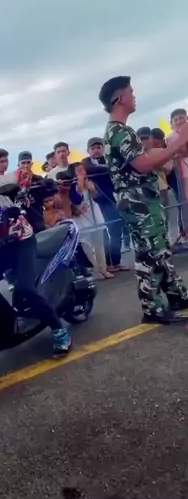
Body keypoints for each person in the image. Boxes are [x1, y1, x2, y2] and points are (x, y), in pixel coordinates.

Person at [100, 75, 188, 323]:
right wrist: (178, 142)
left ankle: (176, 294)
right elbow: (143, 164)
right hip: (139, 202)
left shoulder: (117, 131)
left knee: (158, 248)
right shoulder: (120, 132)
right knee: (150, 253)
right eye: (131, 92)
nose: (134, 96)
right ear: (120, 99)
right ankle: (152, 308)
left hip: (140, 200)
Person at [0, 169, 72, 357]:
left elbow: (20, 185)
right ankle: (5, 322)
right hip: (1, 246)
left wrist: (19, 201)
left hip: (22, 241)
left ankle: (60, 331)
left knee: (25, 289)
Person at [82, 137, 128, 273]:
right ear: (88, 150)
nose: (96, 150)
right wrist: (108, 168)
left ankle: (115, 261)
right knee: (105, 232)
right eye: (93, 148)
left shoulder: (108, 158)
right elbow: (89, 169)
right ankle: (108, 262)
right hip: (97, 202)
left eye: (98, 147)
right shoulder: (86, 162)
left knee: (116, 229)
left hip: (113, 198)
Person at [69, 163, 113, 280]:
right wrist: (79, 186)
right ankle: (95, 270)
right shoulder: (72, 186)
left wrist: (92, 190)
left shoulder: (90, 182)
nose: (82, 173)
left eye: (83, 170)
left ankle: (103, 269)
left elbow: (99, 198)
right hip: (82, 219)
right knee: (88, 247)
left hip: (95, 217)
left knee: (99, 245)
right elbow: (76, 200)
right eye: (79, 171)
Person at [16, 151, 57, 233]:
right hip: (20, 220)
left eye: (28, 162)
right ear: (18, 165)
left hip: (38, 218)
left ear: (32, 164)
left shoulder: (38, 179)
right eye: (23, 163)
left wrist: (50, 186)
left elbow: (48, 198)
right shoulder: (14, 181)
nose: (26, 165)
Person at [151, 128, 179, 248]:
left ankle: (170, 242)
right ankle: (169, 242)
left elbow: (168, 168)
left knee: (169, 217)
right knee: (165, 218)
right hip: (156, 190)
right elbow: (169, 168)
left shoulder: (161, 152)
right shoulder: (144, 154)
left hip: (163, 188)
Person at [167, 107, 188, 240]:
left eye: (182, 118)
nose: (179, 121)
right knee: (185, 202)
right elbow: (178, 152)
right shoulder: (170, 138)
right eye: (176, 119)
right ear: (171, 123)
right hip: (183, 173)